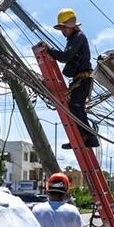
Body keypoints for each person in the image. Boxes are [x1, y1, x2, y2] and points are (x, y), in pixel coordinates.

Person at [38, 8, 100, 149]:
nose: (62, 31)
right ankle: (82, 138)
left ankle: (90, 138)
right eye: (61, 28)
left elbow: (65, 57)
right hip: (79, 79)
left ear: (71, 25)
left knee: (76, 107)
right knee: (74, 108)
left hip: (83, 79)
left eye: (64, 27)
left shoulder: (79, 37)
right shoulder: (73, 38)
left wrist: (48, 50)